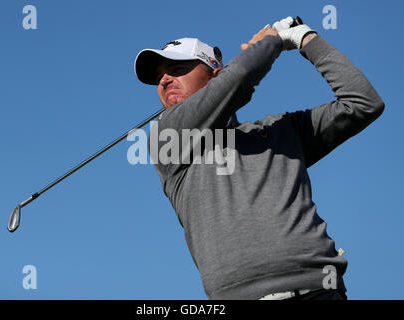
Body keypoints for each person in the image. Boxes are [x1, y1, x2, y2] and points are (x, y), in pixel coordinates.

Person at [134, 17, 384, 300]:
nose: (164, 80)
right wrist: (271, 42)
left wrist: (306, 39)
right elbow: (239, 79)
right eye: (159, 78)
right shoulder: (167, 138)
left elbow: (363, 103)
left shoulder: (280, 130)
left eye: (177, 69)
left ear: (215, 74)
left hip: (319, 291)